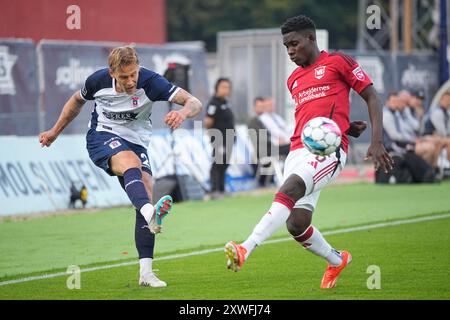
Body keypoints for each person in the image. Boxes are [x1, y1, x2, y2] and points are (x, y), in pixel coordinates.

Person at [224, 15, 393, 289]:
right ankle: (337, 260)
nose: (290, 51)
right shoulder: (293, 80)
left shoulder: (339, 62)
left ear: (311, 39)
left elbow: (372, 96)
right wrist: (345, 126)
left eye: (294, 44)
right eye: (286, 46)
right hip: (297, 151)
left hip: (329, 153)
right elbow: (315, 117)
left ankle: (246, 248)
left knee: (289, 189)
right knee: (296, 224)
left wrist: (376, 140)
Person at [39, 46, 203, 287]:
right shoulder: (97, 81)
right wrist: (54, 132)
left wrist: (184, 112)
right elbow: (76, 101)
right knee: (131, 164)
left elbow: (194, 101)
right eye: (124, 76)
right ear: (112, 72)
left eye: (133, 74)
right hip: (102, 137)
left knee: (145, 189)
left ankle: (146, 273)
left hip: (137, 142)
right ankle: (151, 214)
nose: (130, 81)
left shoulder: (151, 82)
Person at [204, 78, 235, 199]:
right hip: (219, 138)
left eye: (228, 87)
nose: (226, 90)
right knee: (218, 163)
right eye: (223, 87)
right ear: (217, 88)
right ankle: (214, 190)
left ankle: (222, 189)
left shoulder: (226, 102)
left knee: (225, 163)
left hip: (229, 138)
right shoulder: (213, 103)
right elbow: (208, 121)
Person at [247, 97, 274, 186]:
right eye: (259, 106)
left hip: (270, 147)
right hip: (262, 150)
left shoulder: (269, 119)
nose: (261, 108)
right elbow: (262, 138)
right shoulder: (253, 122)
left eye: (263, 106)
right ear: (254, 108)